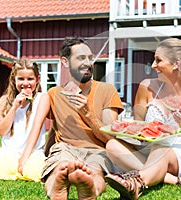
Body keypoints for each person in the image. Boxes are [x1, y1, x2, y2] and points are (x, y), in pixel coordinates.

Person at [105, 37, 181, 200]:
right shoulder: (146, 87)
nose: (153, 65)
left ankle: (136, 183)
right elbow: (138, 127)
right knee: (112, 145)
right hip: (149, 150)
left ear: (176, 64)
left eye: (158, 60)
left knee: (161, 150)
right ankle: (175, 180)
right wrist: (125, 129)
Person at [41, 37, 123, 199]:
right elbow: (55, 128)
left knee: (96, 171)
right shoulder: (54, 94)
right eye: (81, 58)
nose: (88, 63)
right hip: (66, 148)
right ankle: (55, 190)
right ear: (65, 62)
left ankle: (91, 190)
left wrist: (88, 114)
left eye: (90, 58)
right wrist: (46, 152)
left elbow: (110, 139)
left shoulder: (107, 90)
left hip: (97, 150)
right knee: (59, 166)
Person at [0, 59, 49, 182]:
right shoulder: (4, 100)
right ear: (14, 80)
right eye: (21, 79)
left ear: (37, 79)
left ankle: (27, 166)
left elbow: (36, 127)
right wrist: (14, 107)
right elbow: (2, 132)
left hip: (33, 152)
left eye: (30, 79)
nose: (25, 83)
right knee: (1, 169)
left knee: (35, 172)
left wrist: (24, 157)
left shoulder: (42, 98)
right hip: (9, 152)